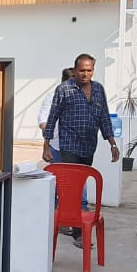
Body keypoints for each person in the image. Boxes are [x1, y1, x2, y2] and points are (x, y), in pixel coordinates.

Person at [42, 53, 120, 248]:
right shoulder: (64, 89)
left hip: (88, 146)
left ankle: (70, 222)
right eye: (82, 70)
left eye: (89, 70)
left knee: (81, 184)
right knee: (73, 189)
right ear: (75, 70)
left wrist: (112, 143)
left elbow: (104, 117)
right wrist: (46, 145)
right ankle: (78, 233)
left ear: (93, 70)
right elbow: (52, 117)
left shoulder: (98, 89)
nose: (85, 74)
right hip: (69, 145)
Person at [39, 67, 86, 223]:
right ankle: (57, 218)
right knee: (58, 182)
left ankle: (79, 216)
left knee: (79, 182)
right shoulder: (51, 98)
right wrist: (46, 146)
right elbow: (44, 123)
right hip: (57, 147)